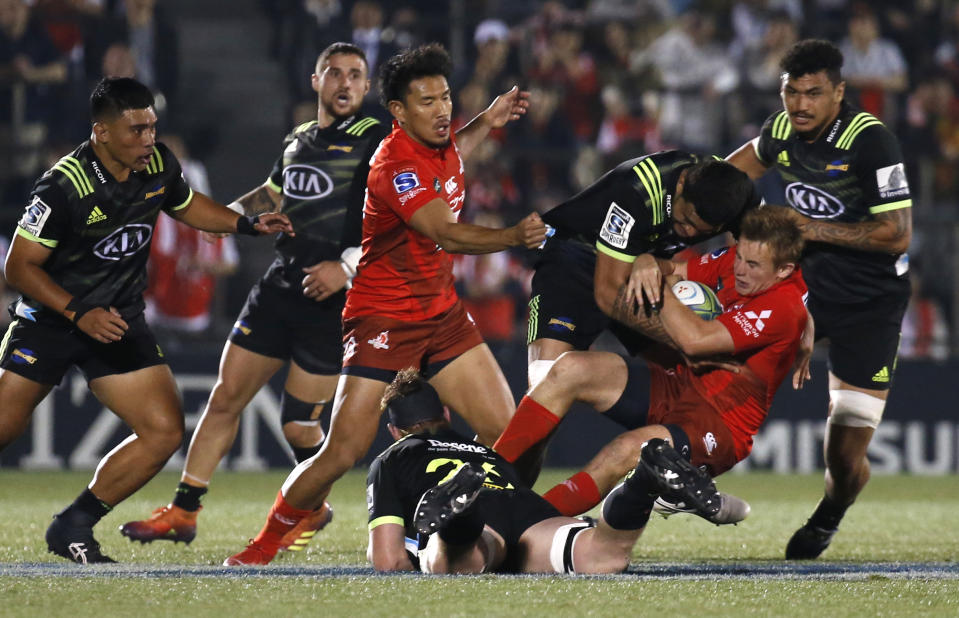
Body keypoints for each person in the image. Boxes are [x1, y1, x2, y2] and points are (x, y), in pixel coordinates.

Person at [221, 43, 547, 566]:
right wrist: (514, 234)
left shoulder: (439, 143)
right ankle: (266, 542)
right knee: (342, 451)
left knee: (514, 439)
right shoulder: (394, 165)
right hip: (383, 319)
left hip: (441, 315)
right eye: (426, 101)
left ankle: (477, 531)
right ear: (398, 110)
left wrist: (488, 118)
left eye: (445, 98)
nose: (442, 111)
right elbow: (446, 232)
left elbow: (458, 146)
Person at [0, 77, 292, 564]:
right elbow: (17, 267)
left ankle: (73, 524)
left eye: (152, 127)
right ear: (102, 132)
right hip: (50, 320)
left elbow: (187, 204)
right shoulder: (62, 186)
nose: (148, 139)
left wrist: (244, 223)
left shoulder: (157, 165)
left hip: (117, 320)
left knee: (163, 431)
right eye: (135, 130)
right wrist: (78, 311)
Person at [118, 43, 389, 552]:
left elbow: (396, 217)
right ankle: (184, 509)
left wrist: (347, 268)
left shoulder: (376, 139)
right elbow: (275, 191)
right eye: (335, 73)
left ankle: (311, 505)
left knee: (299, 426)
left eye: (356, 75)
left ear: (367, 87)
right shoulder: (299, 139)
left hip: (334, 299)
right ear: (316, 81)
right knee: (225, 397)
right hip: (282, 284)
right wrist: (227, 220)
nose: (345, 83)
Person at [494, 208, 808, 519]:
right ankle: (489, 481)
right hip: (676, 383)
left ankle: (524, 522)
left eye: (753, 265)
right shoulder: (736, 261)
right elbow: (674, 268)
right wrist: (646, 261)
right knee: (568, 368)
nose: (740, 269)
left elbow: (695, 340)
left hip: (719, 423)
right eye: (740, 256)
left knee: (625, 450)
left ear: (784, 270)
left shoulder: (784, 307)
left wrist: (661, 286)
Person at [726, 39, 912, 560]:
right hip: (804, 287)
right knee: (717, 363)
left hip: (870, 303)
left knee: (845, 458)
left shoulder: (871, 141)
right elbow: (728, 175)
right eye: (791, 92)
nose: (800, 105)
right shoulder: (779, 130)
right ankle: (678, 471)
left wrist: (809, 227)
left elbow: (896, 233)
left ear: (838, 93)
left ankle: (829, 515)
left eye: (813, 93)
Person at [367, 369, 722, 574]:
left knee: (464, 560)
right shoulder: (488, 454)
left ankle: (463, 517)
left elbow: (387, 560)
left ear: (395, 432)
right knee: (602, 556)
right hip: (521, 503)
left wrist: (415, 554)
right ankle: (643, 481)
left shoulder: (393, 457)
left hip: (480, 518)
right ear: (445, 415)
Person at [527, 151, 758, 383]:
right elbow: (608, 293)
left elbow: (766, 256)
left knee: (698, 378)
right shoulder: (639, 190)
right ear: (680, 184)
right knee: (544, 379)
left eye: (702, 231)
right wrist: (684, 340)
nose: (689, 232)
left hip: (642, 266)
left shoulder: (737, 198)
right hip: (576, 256)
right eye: (686, 220)